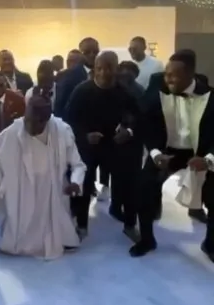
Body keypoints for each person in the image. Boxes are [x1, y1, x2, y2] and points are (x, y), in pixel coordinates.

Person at [129, 51, 214, 258]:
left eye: (173, 75)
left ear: (191, 74)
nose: (168, 79)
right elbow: (143, 123)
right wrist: (155, 153)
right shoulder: (157, 90)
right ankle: (147, 239)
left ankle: (210, 244)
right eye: (166, 74)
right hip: (166, 150)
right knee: (144, 188)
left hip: (200, 153)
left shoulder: (211, 97)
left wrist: (208, 159)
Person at [0, 95, 84, 258]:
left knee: (58, 228)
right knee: (19, 229)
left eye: (35, 122)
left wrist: (76, 182)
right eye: (27, 120)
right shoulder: (13, 132)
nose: (28, 126)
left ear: (46, 120)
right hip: (21, 188)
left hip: (52, 189)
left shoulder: (62, 131)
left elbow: (78, 165)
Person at [65, 51, 141, 237]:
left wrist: (128, 130)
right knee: (84, 183)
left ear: (116, 69)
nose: (104, 73)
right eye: (99, 68)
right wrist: (84, 136)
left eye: (109, 68)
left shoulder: (125, 92)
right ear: (94, 69)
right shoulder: (81, 91)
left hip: (115, 144)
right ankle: (81, 225)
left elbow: (137, 117)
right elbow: (68, 120)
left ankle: (130, 225)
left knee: (127, 183)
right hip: (88, 145)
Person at [54, 37, 99, 116]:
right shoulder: (69, 75)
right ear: (80, 54)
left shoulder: (106, 73)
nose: (92, 55)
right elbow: (60, 106)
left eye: (95, 52)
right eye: (87, 52)